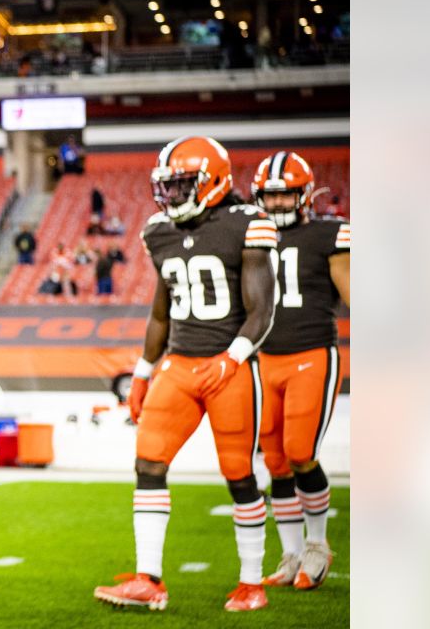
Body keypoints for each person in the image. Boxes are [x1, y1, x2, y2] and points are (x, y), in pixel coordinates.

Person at [95, 136, 277, 613]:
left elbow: (262, 309)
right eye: (167, 187)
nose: (171, 197)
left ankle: (251, 581)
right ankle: (147, 579)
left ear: (212, 182)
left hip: (229, 364)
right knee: (148, 462)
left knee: (239, 473)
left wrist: (233, 357)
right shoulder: (159, 231)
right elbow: (162, 312)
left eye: (181, 186)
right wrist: (141, 371)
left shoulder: (248, 224)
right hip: (178, 363)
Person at [250, 152, 350, 590]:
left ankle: (316, 545)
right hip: (263, 357)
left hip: (311, 353)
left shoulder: (329, 233)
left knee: (299, 450)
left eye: (284, 195)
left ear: (305, 194)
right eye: (269, 197)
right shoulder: (250, 235)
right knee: (274, 460)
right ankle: (290, 555)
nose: (276, 205)